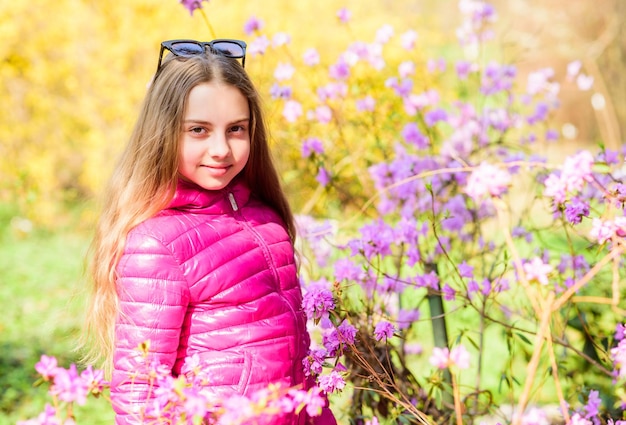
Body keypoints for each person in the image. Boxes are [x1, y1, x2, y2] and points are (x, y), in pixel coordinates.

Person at [83, 39, 337, 424]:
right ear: (163, 133)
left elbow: (298, 366)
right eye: (198, 130)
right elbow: (141, 392)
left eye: (236, 129)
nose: (221, 149)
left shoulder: (265, 219)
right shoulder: (157, 244)